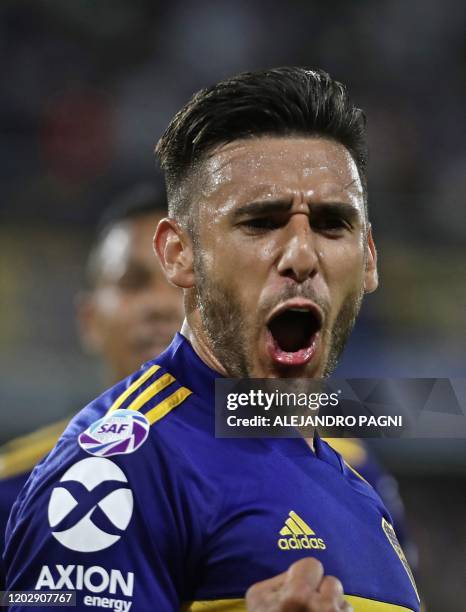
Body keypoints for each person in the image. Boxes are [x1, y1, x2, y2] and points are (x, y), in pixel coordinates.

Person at [4, 68, 420, 611]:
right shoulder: (120, 471)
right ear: (179, 254)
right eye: (262, 222)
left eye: (331, 224)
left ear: (368, 259)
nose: (300, 256)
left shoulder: (361, 490)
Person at [0, 183, 182, 590]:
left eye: (186, 281)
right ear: (89, 319)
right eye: (133, 283)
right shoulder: (14, 490)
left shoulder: (344, 470)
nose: (162, 304)